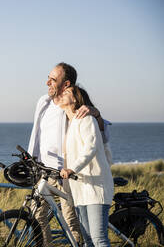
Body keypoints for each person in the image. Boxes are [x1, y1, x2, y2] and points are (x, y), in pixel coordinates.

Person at [28, 62, 102, 246]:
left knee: (71, 223)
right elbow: (37, 135)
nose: (47, 82)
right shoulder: (43, 103)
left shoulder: (74, 101)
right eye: (48, 78)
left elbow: (100, 128)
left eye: (53, 80)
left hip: (65, 175)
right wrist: (31, 160)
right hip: (44, 172)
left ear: (66, 84)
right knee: (36, 217)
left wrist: (94, 112)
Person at [59, 85, 114, 247]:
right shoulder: (69, 124)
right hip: (80, 188)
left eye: (66, 92)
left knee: (99, 239)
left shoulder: (86, 119)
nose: (62, 95)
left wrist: (72, 169)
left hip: (96, 187)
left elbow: (91, 148)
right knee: (88, 241)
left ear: (75, 99)